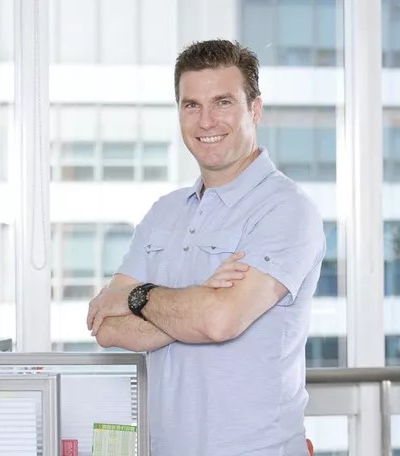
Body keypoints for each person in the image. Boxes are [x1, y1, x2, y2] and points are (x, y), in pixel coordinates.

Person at [86, 39, 325, 456]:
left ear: (255, 109)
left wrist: (137, 297)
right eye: (191, 105)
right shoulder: (164, 212)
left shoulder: (287, 209)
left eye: (223, 102)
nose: (206, 120)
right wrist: (196, 304)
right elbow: (106, 327)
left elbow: (219, 321)